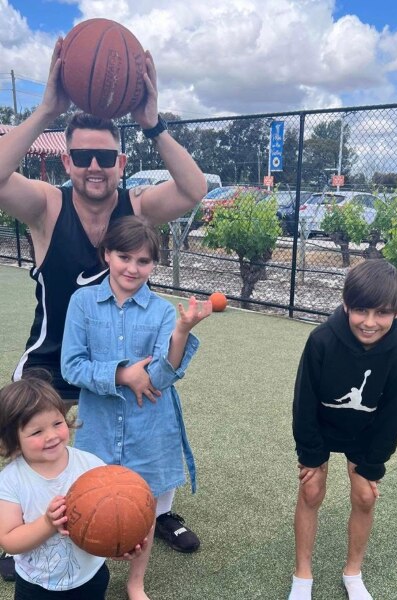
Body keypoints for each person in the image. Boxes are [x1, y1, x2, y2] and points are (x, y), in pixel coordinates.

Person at [0, 39, 208, 556]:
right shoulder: (48, 206)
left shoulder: (137, 206)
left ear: (120, 160)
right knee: (27, 442)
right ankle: (21, 528)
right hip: (52, 362)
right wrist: (47, 107)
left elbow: (194, 188)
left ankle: (155, 508)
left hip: (124, 355)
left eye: (106, 156)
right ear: (68, 160)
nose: (95, 166)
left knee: (148, 412)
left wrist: (154, 122)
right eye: (84, 156)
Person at [60, 216, 211, 600]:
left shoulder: (162, 312)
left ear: (154, 265)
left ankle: (135, 583)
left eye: (143, 261)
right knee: (88, 501)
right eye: (124, 256)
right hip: (98, 425)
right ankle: (87, 575)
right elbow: (71, 365)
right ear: (106, 254)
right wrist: (123, 374)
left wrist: (181, 331)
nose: (132, 267)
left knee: (141, 507)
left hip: (149, 427)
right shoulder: (82, 302)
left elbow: (161, 376)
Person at [289, 259, 397, 600]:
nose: (369, 322)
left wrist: (374, 463)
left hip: (365, 432)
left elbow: (393, 411)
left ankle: (353, 572)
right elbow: (304, 401)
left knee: (365, 497)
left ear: (396, 313)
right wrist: (310, 455)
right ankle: (302, 576)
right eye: (361, 310)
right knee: (311, 493)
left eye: (382, 313)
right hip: (321, 428)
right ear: (345, 304)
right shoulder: (321, 340)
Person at [0, 376, 144, 599]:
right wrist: (48, 523)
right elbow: (9, 540)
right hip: (36, 585)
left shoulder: (91, 466)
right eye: (37, 432)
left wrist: (118, 545)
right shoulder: (11, 480)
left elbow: (110, 520)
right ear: (14, 439)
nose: (52, 436)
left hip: (90, 577)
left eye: (57, 423)